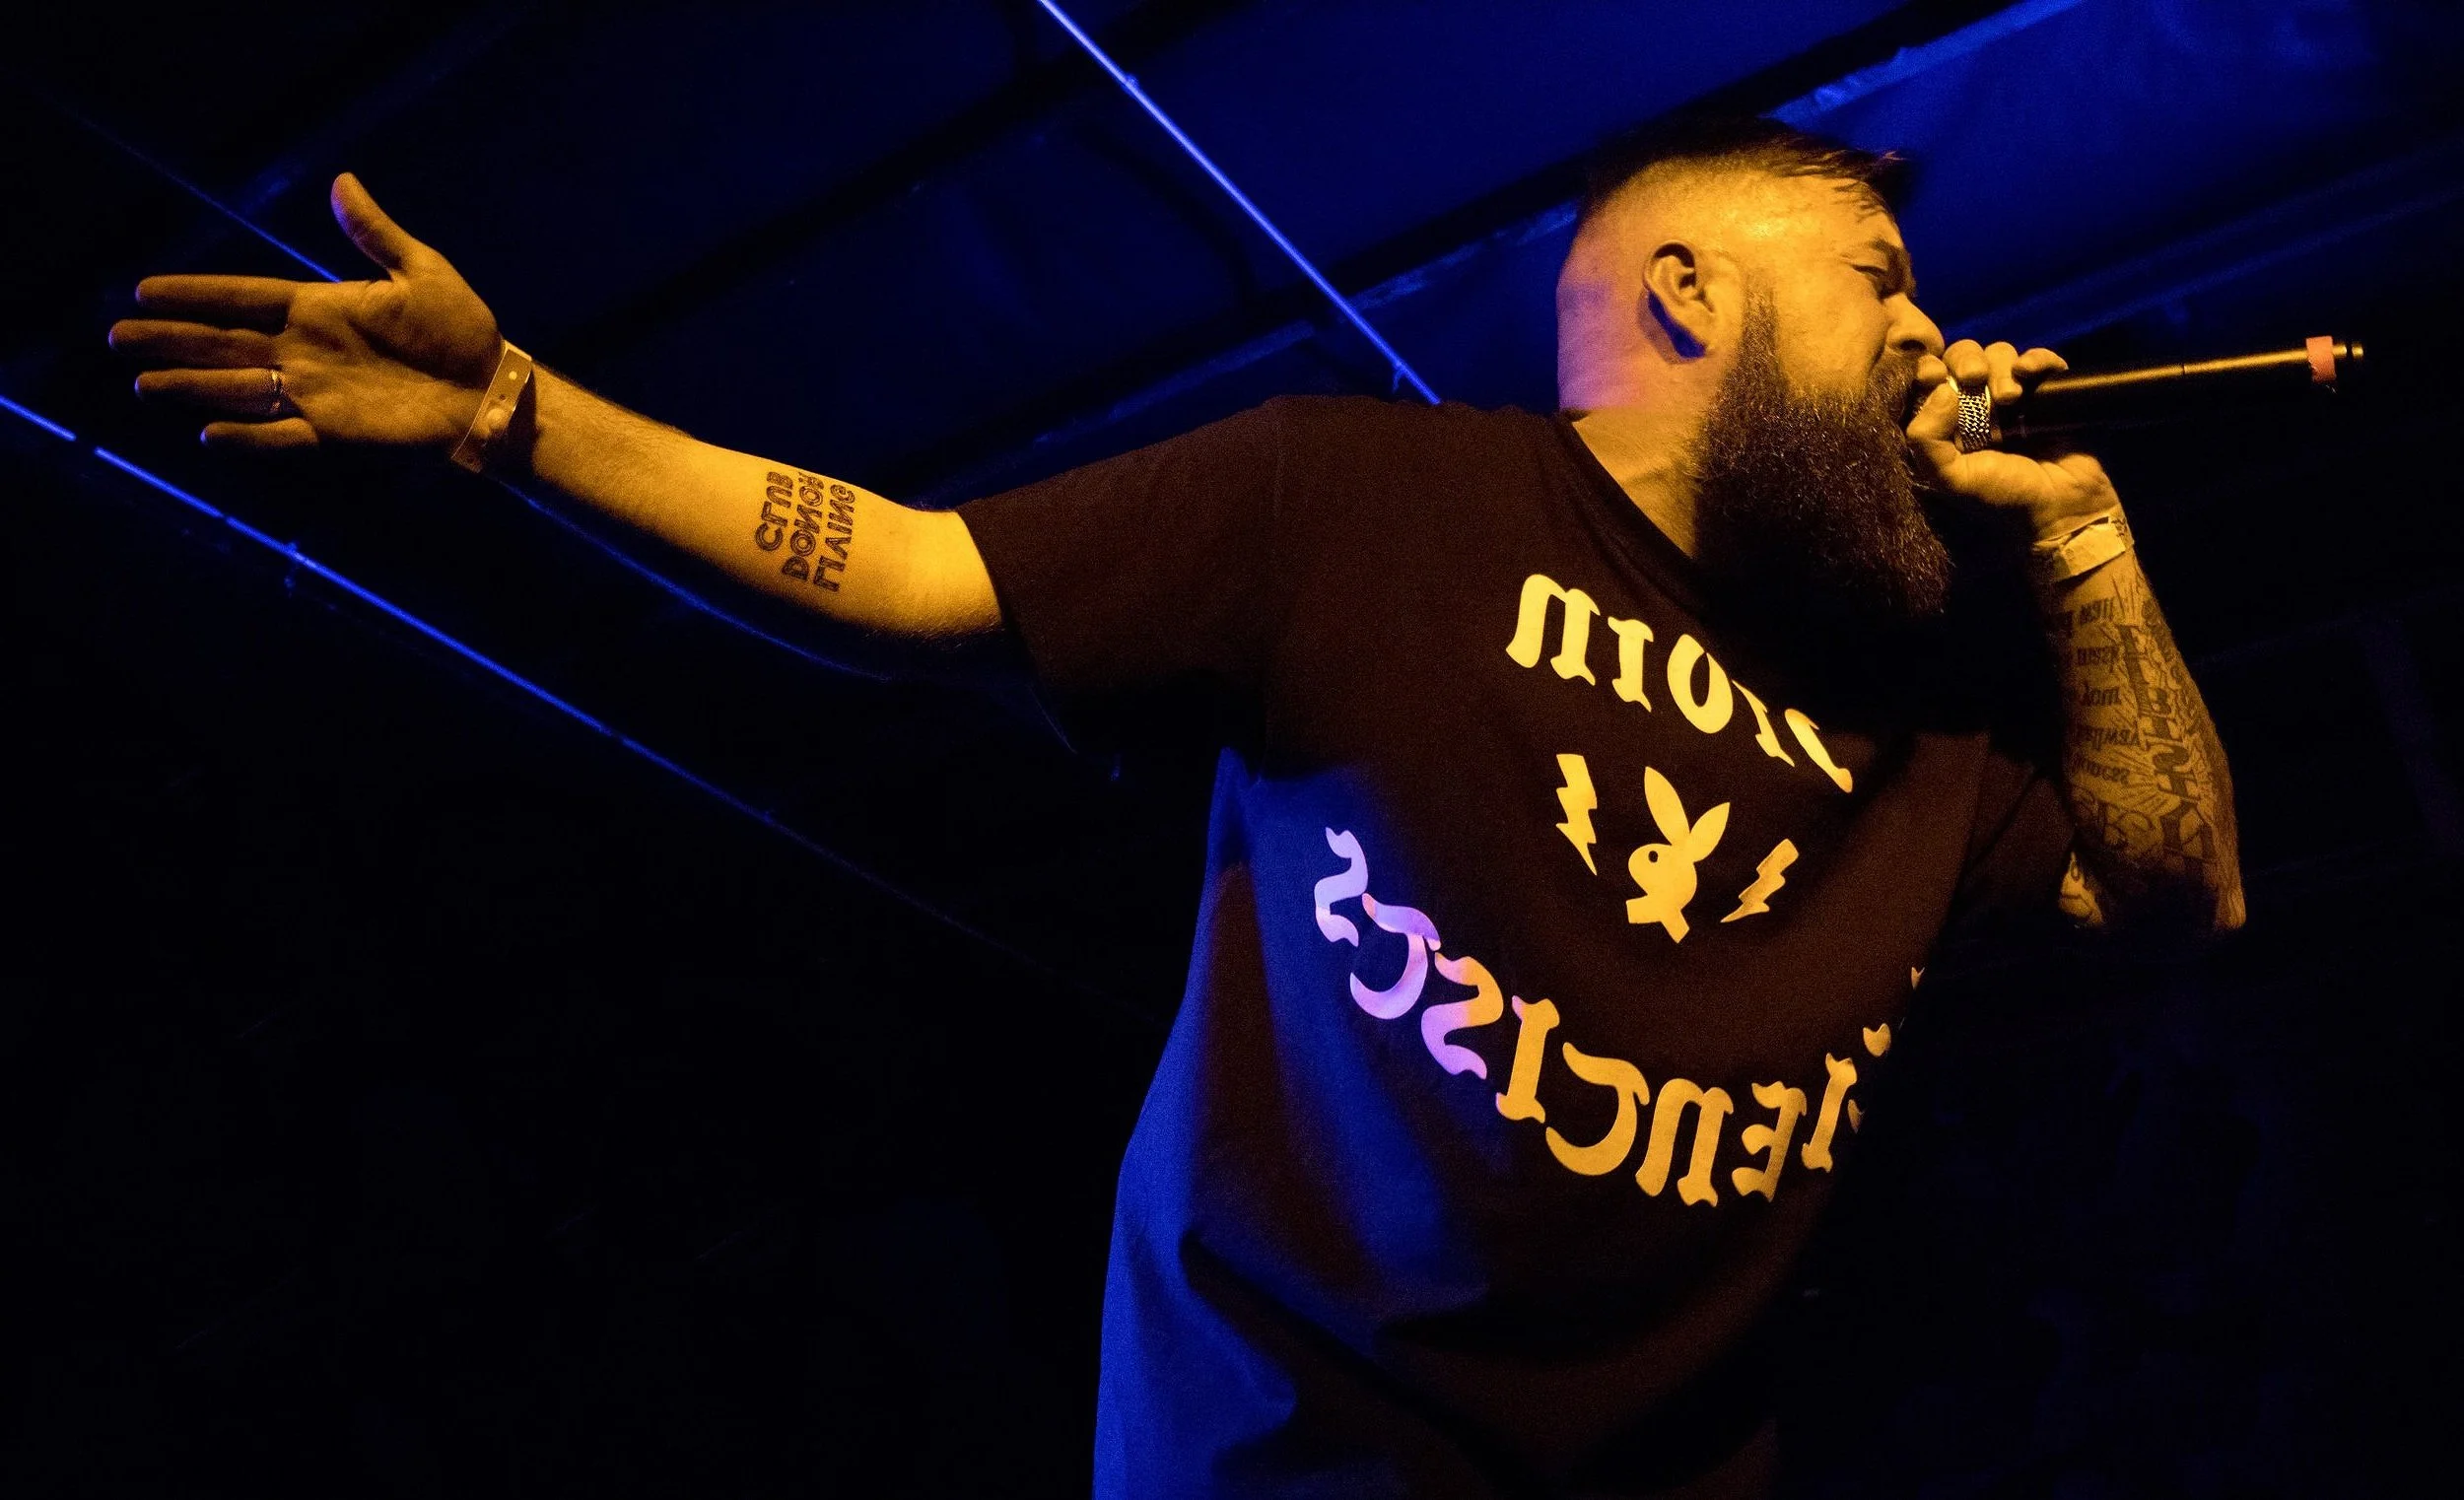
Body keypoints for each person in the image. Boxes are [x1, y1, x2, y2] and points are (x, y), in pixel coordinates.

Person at [112, 115, 2241, 1499]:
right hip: (1290, 1464)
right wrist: (513, 409)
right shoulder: (1359, 498)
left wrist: (2077, 543)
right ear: (1684, 290)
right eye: (1871, 269)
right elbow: (917, 572)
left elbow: (2177, 896)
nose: (1929, 325)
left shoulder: (1902, 724)